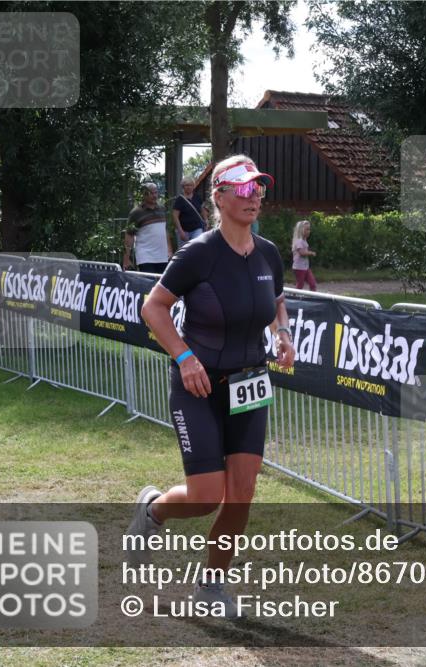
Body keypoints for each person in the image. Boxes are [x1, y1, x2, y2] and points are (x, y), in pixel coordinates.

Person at [128, 155, 292, 618]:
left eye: (258, 187)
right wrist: (184, 358)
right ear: (218, 197)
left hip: (249, 383)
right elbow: (153, 308)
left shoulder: (269, 253)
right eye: (241, 189)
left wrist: (283, 332)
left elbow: (278, 300)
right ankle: (154, 510)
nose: (253, 195)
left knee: (241, 492)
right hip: (197, 384)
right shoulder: (198, 252)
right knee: (205, 497)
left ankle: (212, 586)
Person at [124, 182, 173, 273]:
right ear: (144, 195)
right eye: (151, 193)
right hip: (145, 257)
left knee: (161, 285)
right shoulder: (136, 212)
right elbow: (129, 235)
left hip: (162, 256)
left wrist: (169, 250)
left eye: (156, 192)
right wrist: (126, 258)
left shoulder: (162, 209)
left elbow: (165, 230)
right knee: (148, 283)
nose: (155, 196)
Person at [173, 176, 208, 248]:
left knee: (197, 248)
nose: (189, 187)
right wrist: (180, 231)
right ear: (183, 187)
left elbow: (202, 210)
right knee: (184, 252)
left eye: (190, 185)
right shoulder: (179, 200)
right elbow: (175, 216)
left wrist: (206, 220)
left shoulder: (197, 197)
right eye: (186, 185)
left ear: (193, 186)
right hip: (184, 230)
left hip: (197, 228)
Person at [291, 219, 318, 291]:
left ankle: (313, 297)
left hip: (305, 267)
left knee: (313, 283)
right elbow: (302, 253)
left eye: (309, 229)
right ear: (301, 230)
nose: (309, 231)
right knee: (300, 284)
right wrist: (311, 253)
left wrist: (309, 252)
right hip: (299, 268)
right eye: (307, 229)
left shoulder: (304, 241)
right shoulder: (299, 241)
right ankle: (294, 297)